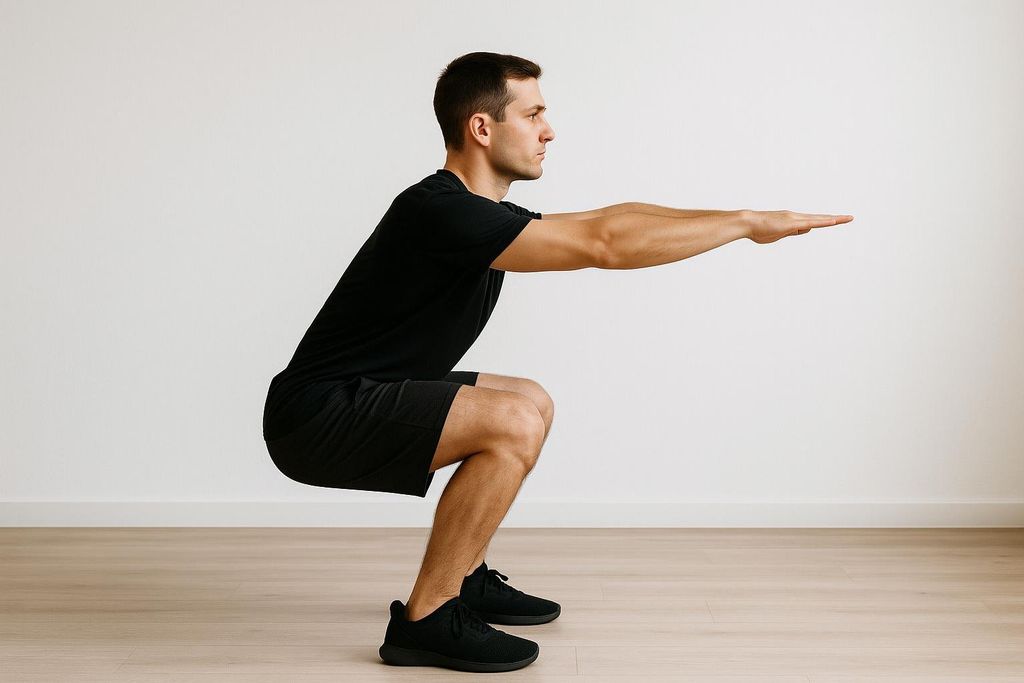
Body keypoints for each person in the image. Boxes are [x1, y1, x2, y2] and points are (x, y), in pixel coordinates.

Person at [262, 51, 854, 674]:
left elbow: (608, 220)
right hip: (316, 416)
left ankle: (462, 576)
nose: (549, 130)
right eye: (534, 114)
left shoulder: (478, 213)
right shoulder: (438, 210)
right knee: (512, 421)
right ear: (482, 129)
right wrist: (743, 225)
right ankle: (427, 619)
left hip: (360, 391)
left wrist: (745, 218)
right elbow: (603, 245)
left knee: (531, 399)